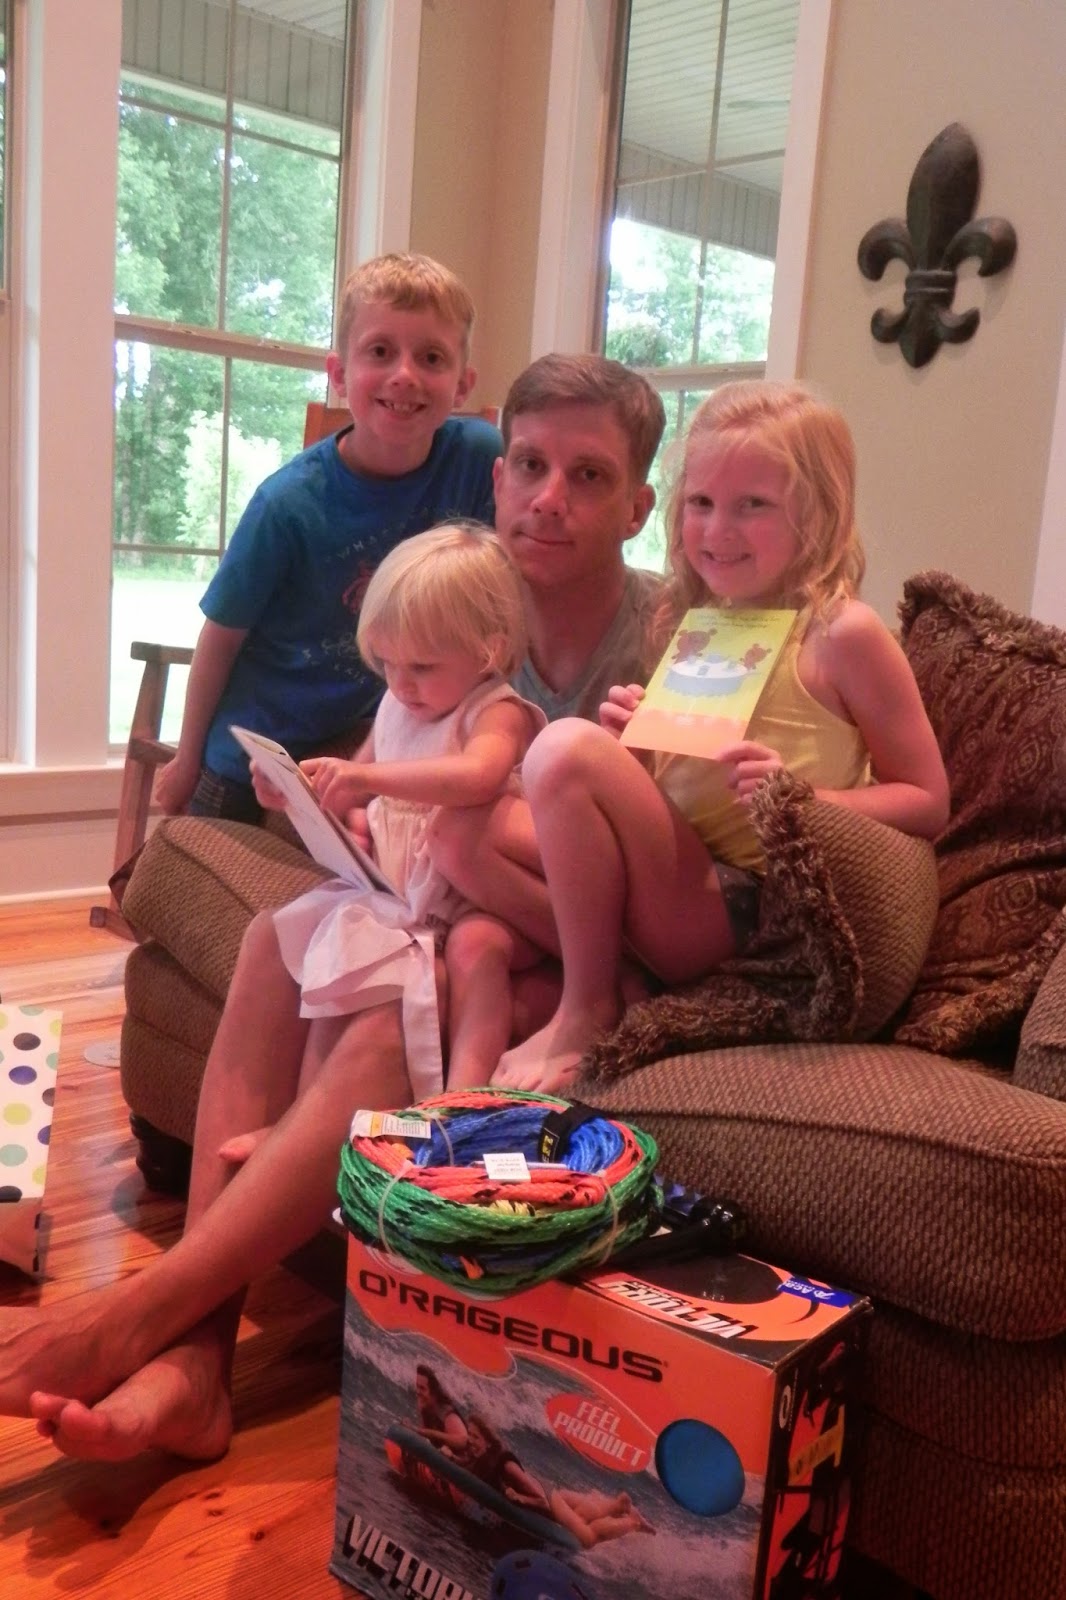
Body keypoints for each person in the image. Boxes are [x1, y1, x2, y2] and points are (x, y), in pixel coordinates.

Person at [0, 353, 665, 1465]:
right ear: (496, 476)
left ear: (638, 505)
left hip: (552, 939)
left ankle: (143, 1317)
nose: (550, 497)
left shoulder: (662, 637)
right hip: (446, 895)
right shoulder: (456, 600)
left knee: (395, 989)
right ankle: (195, 1357)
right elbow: (399, 750)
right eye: (530, 466)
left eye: (589, 476)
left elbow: (658, 869)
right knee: (280, 935)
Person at [484, 380, 950, 1092]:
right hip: (681, 881)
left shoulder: (843, 635)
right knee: (468, 826)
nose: (716, 530)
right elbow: (685, 793)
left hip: (756, 910)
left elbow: (928, 799)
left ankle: (587, 1005)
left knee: (562, 749)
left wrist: (806, 800)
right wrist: (637, 750)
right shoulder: (697, 622)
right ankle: (615, 978)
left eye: (752, 505)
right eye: (701, 502)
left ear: (818, 512)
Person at [154, 252, 501, 824]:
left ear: (462, 385)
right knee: (204, 857)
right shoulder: (287, 504)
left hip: (372, 731)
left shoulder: (479, 458)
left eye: (431, 357)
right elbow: (220, 637)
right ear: (339, 375)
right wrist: (186, 759)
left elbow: (505, 588)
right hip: (256, 748)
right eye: (380, 351)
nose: (405, 374)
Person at [250, 521, 545, 1102]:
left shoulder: (496, 711)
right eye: (387, 662)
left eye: (423, 667)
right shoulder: (396, 705)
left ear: (488, 650)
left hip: (483, 904)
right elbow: (349, 793)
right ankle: (300, 1114)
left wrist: (364, 776)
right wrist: (295, 792)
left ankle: (460, 1104)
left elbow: (478, 776)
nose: (401, 684)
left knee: (477, 948)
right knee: (336, 962)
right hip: (404, 900)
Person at [460, 1412, 550, 1513]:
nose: (470, 1440)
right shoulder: (479, 1457)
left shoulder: (506, 1465)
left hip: (549, 1502)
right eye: (469, 1434)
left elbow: (543, 1502)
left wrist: (519, 1497)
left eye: (476, 1437)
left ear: (488, 1443)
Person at [413, 1363, 467, 1455]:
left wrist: (432, 1434)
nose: (418, 1392)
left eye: (422, 1388)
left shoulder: (447, 1414)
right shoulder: (424, 1406)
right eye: (417, 1386)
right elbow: (424, 1434)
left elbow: (463, 1441)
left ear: (434, 1392)